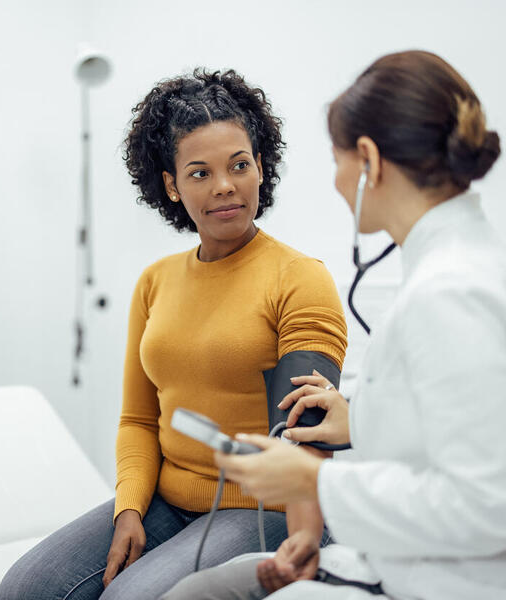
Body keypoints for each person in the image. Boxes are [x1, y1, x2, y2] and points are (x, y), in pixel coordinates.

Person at [162, 50, 506, 600]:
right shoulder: (461, 268)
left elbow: (488, 502)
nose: (339, 181)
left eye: (338, 159)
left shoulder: (449, 294)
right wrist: (361, 421)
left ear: (368, 159)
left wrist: (314, 481)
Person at [0, 69, 347, 600]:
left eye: (239, 165)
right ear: (172, 185)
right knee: (27, 587)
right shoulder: (155, 282)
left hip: (263, 506)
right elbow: (138, 418)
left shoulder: (298, 278)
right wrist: (129, 509)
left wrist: (304, 538)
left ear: (260, 167)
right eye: (200, 172)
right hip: (167, 499)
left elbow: (301, 438)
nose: (224, 185)